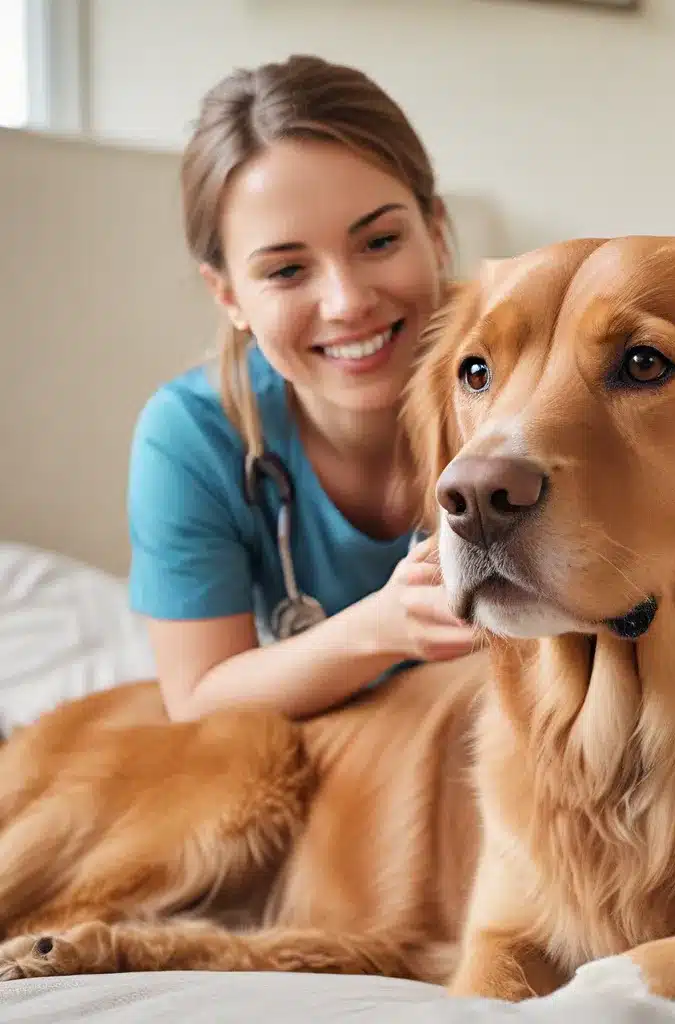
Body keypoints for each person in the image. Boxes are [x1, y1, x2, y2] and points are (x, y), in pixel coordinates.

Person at [126, 55, 477, 722]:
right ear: (228, 294)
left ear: (434, 233)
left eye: (378, 241)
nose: (347, 303)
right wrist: (381, 628)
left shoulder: (527, 382)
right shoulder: (191, 437)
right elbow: (198, 700)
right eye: (287, 270)